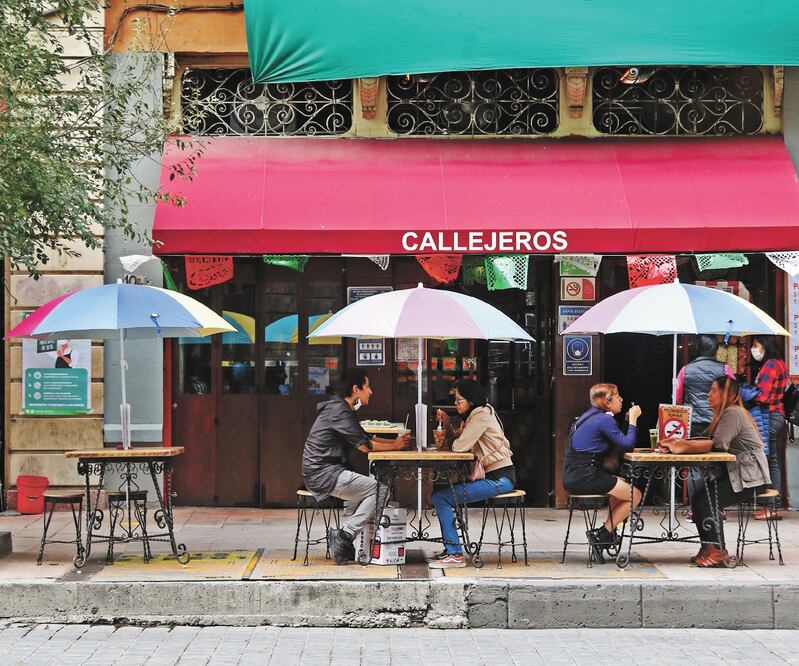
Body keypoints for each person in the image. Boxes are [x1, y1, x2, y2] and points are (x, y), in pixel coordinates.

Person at [301, 368, 413, 565]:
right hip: (323, 473)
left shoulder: (340, 408)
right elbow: (364, 446)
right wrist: (395, 445)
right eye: (367, 386)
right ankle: (345, 535)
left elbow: (366, 438)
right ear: (356, 389)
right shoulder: (339, 411)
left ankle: (346, 542)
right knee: (381, 491)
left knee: (372, 491)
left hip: (326, 470)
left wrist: (396, 444)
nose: (370, 391)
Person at [660, 376, 770, 567]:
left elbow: (718, 445)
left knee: (706, 500)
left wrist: (683, 446)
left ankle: (718, 551)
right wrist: (677, 443)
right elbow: (707, 439)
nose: (708, 394)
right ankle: (709, 547)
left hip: (750, 478)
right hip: (739, 475)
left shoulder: (733, 413)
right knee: (699, 498)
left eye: (713, 390)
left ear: (726, 393)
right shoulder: (725, 414)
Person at [429, 379, 515, 569]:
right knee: (442, 494)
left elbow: (460, 447)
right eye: (455, 400)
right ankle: (451, 548)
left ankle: (455, 553)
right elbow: (460, 442)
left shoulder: (480, 415)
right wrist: (449, 425)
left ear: (472, 401)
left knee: (441, 497)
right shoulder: (474, 416)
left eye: (459, 400)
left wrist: (454, 434)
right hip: (494, 477)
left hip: (500, 479)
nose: (455, 404)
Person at [562, 383, 642, 563]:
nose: (621, 400)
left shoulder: (588, 416)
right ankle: (602, 535)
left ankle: (608, 533)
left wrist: (625, 422)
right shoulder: (604, 420)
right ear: (607, 402)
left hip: (574, 475)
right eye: (617, 396)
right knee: (634, 495)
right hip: (586, 476)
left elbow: (616, 440)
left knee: (621, 488)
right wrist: (633, 420)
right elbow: (627, 444)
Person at [748, 336, 789, 520]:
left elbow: (763, 396)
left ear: (764, 346)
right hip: (775, 415)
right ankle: (771, 506)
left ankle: (772, 506)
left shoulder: (770, 365)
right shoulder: (780, 363)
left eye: (755, 346)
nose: (753, 349)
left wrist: (747, 393)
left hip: (769, 415)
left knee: (769, 460)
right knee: (771, 459)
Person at [675, 335, 735, 436]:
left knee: (695, 449)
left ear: (697, 349)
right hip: (718, 421)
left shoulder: (685, 370)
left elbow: (677, 399)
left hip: (692, 422)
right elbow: (733, 395)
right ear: (716, 350)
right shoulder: (725, 369)